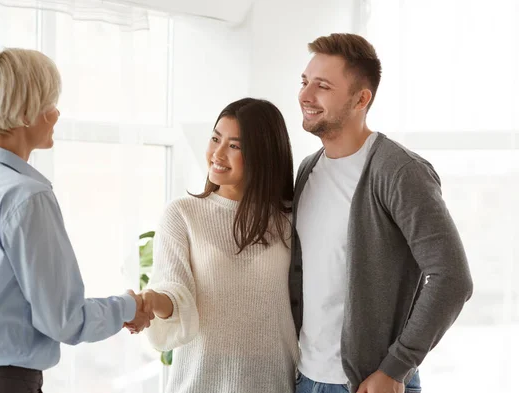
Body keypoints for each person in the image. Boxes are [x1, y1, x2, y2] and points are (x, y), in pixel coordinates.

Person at [0, 48, 152, 393]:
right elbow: (63, 320)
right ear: (25, 113)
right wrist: (128, 306)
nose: (56, 113)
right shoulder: (27, 196)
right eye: (49, 103)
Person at [290, 33, 473, 393]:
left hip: (368, 384)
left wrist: (396, 368)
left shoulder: (398, 171)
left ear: (361, 99)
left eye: (322, 86)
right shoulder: (307, 170)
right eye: (304, 81)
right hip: (306, 378)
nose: (305, 96)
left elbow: (452, 277)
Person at [130, 98, 299, 392]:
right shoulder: (182, 214)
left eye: (235, 145)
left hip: (272, 382)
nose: (217, 154)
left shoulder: (291, 220)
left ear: (264, 154)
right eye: (215, 138)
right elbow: (174, 290)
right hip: (199, 381)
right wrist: (150, 300)